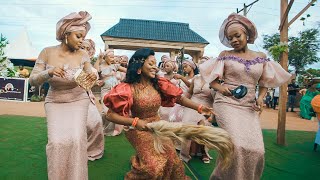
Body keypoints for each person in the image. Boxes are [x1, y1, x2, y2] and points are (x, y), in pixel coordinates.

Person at [199, 13, 291, 180]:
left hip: (249, 106)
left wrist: (261, 98)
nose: (234, 40)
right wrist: (221, 88)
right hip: (226, 103)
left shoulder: (261, 57)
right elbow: (211, 81)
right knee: (237, 146)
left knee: (257, 150)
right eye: (230, 37)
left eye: (237, 35)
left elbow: (264, 82)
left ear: (247, 35)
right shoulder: (225, 55)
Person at [103, 48, 214, 179]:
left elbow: (180, 99)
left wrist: (201, 108)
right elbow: (109, 115)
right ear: (139, 65)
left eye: (155, 64)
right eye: (151, 63)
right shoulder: (127, 88)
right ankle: (141, 164)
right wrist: (135, 122)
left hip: (159, 127)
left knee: (173, 161)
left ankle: (141, 159)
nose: (155, 67)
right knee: (154, 168)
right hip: (138, 129)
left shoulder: (158, 83)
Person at [29, 11, 98, 180]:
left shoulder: (83, 54)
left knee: (76, 141)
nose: (82, 40)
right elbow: (33, 80)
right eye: (78, 36)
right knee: (56, 142)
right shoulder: (46, 52)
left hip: (78, 100)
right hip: (55, 101)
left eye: (83, 37)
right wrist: (49, 72)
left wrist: (92, 76)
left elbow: (90, 78)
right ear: (66, 34)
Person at [180, 56, 214, 164]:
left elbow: (216, 98)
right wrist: (181, 101)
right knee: (187, 126)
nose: (203, 66)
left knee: (203, 127)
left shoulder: (214, 79)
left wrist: (213, 113)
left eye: (206, 63)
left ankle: (204, 152)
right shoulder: (196, 78)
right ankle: (184, 154)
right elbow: (189, 93)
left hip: (207, 106)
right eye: (201, 64)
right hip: (192, 104)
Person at [81, 38, 105, 161]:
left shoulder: (90, 66)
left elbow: (93, 73)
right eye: (82, 47)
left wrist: (95, 82)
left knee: (95, 122)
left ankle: (92, 150)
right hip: (69, 99)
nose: (85, 50)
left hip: (86, 97)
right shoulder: (69, 62)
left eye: (87, 48)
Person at [94, 49, 127, 136]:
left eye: (113, 57)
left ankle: (116, 130)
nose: (112, 59)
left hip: (116, 91)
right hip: (105, 90)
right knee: (106, 111)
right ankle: (105, 128)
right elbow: (95, 70)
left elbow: (127, 70)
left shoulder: (115, 66)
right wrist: (98, 59)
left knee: (116, 110)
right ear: (105, 57)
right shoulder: (100, 66)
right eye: (111, 57)